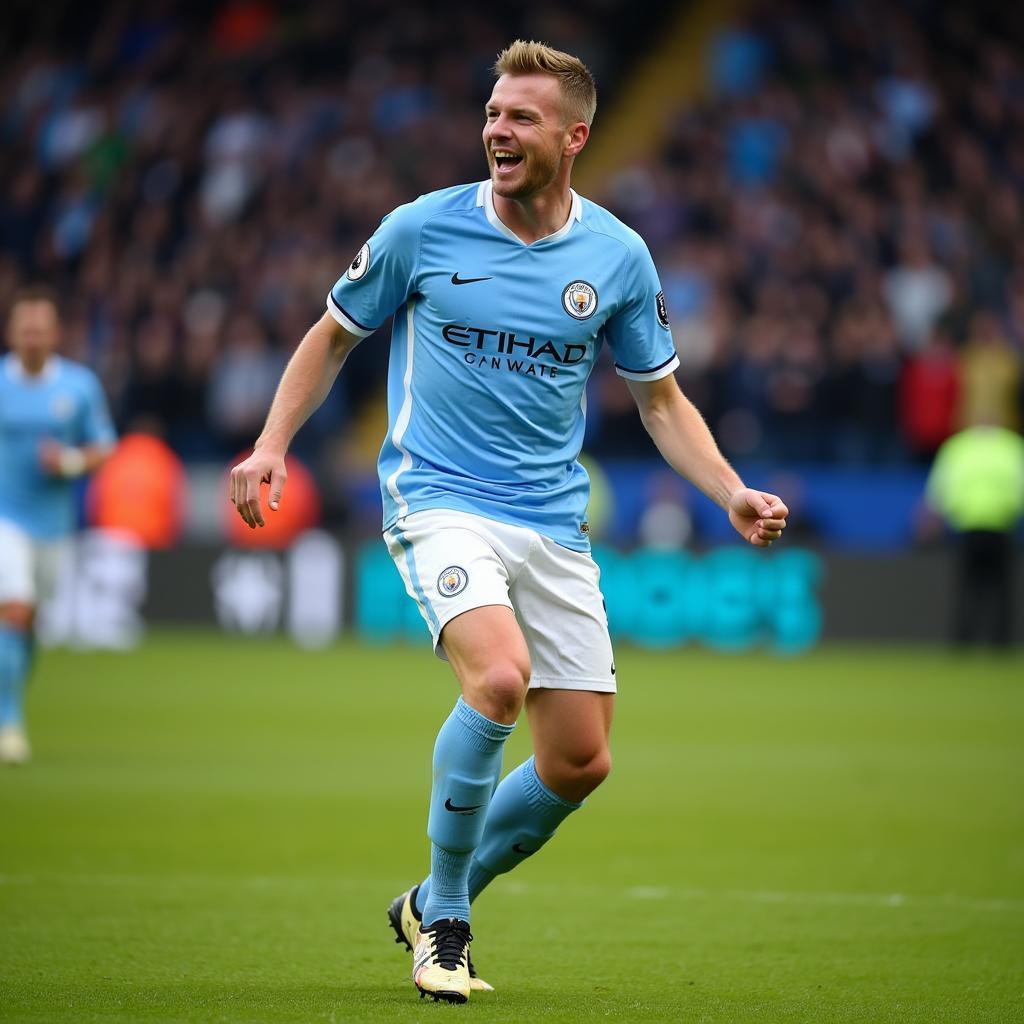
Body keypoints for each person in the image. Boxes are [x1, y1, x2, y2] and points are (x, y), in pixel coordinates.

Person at [229, 40, 788, 1004]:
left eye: (521, 118)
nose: (497, 130)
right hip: (438, 496)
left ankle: (432, 895)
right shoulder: (420, 229)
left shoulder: (616, 255)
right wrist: (272, 443)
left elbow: (661, 401)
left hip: (551, 522)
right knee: (497, 678)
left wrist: (728, 489)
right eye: (493, 113)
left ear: (575, 137)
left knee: (579, 760)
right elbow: (331, 338)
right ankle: (446, 923)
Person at [0, 286, 116, 763]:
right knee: (16, 607)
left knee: (29, 624)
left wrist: (67, 462)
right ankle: (10, 723)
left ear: (54, 334)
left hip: (54, 524)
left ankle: (11, 701)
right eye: (25, 327)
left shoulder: (78, 386)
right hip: (6, 519)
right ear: (12, 332)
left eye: (40, 328)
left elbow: (103, 448)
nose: (32, 336)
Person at [925, 415, 1024, 648]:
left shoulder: (959, 447)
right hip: (995, 526)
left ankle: (967, 641)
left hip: (976, 526)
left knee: (974, 588)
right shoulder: (1011, 447)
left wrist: (933, 515)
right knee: (994, 588)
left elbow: (940, 487)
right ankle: (995, 642)